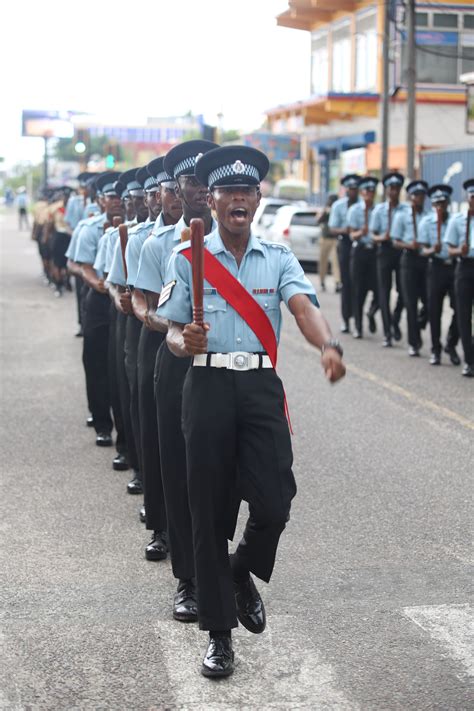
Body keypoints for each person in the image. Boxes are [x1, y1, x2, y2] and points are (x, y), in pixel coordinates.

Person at [158, 145, 345, 678]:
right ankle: (219, 636)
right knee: (210, 514)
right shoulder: (189, 257)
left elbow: (303, 308)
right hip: (209, 387)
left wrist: (329, 346)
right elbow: (171, 331)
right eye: (228, 192)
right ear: (211, 201)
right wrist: (182, 339)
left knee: (275, 502)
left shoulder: (279, 256)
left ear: (258, 200)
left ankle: (241, 571)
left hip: (260, 386)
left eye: (247, 192)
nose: (239, 199)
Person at [136, 140, 217, 606]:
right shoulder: (157, 243)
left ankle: (229, 562)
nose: (198, 189)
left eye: (206, 181)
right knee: (179, 468)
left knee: (224, 475)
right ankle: (188, 577)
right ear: (178, 189)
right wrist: (168, 326)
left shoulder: (239, 240)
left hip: (224, 367)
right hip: (175, 357)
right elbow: (144, 301)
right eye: (189, 181)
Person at [132, 157, 183, 560]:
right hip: (161, 342)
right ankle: (163, 527)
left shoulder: (230, 242)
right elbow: (140, 297)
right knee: (160, 438)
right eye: (173, 188)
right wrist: (149, 316)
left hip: (208, 354)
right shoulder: (153, 242)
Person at [73, 171, 124, 445]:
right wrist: (101, 284)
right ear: (101, 201)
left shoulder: (134, 228)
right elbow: (82, 266)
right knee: (96, 364)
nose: (117, 201)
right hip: (99, 299)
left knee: (119, 368)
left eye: (120, 196)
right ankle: (102, 423)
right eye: (111, 197)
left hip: (125, 304)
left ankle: (125, 429)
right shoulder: (90, 228)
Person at [417, 184, 460, 366]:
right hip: (436, 267)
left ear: (448, 203)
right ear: (433, 205)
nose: (440, 207)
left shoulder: (457, 221)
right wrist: (430, 250)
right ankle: (435, 349)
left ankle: (451, 343)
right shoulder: (426, 222)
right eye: (436, 204)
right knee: (435, 310)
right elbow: (421, 249)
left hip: (454, 267)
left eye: (443, 203)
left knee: (460, 308)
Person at [391, 180, 430, 356]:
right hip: (409, 260)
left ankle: (420, 323)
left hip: (426, 260)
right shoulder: (402, 216)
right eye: (415, 196)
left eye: (421, 196)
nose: (418, 199)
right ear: (410, 197)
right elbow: (395, 241)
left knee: (430, 302)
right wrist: (409, 244)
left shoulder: (430, 216)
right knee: (410, 303)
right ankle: (414, 342)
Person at [370, 172, 405, 347]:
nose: (394, 191)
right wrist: (382, 237)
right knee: (384, 291)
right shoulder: (379, 210)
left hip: (400, 252)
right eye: (391, 188)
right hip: (384, 251)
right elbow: (372, 234)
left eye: (397, 188)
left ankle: (395, 319)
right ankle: (388, 333)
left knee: (404, 292)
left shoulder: (406, 210)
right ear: (387, 190)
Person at [444, 178, 474, 377]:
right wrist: (459, 251)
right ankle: (469, 361)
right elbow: (449, 249)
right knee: (464, 316)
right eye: (473, 196)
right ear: (467, 198)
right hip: (465, 268)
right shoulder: (457, 220)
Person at [347, 176, 379, 339]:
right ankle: (358, 326)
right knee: (358, 291)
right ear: (362, 192)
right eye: (366, 191)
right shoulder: (355, 210)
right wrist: (361, 233)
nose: (369, 194)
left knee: (379, 290)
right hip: (359, 251)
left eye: (372, 191)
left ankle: (371, 312)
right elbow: (352, 233)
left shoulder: (379, 210)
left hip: (374, 252)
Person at [328, 174, 361, 332]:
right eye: (350, 189)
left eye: (355, 189)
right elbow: (332, 228)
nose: (353, 191)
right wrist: (346, 230)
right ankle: (346, 319)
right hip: (345, 244)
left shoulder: (364, 205)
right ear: (346, 189)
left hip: (361, 246)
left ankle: (359, 317)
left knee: (360, 284)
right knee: (346, 283)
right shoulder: (338, 206)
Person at [316, 194, 340, 292]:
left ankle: (338, 282)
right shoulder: (325, 210)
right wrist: (326, 212)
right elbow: (318, 220)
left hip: (335, 239)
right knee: (323, 261)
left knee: (336, 262)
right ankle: (322, 281)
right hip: (325, 239)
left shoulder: (338, 211)